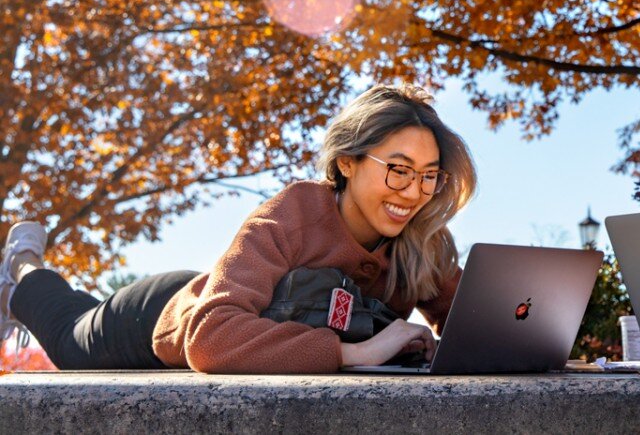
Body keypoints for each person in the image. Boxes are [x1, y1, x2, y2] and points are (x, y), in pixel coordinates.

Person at [0, 83, 476, 373]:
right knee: (67, 331)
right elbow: (210, 337)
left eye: (429, 175)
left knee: (79, 309)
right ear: (347, 162)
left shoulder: (423, 241)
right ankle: (22, 266)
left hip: (229, 291)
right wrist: (356, 353)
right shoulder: (295, 211)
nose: (413, 192)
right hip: (158, 320)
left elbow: (473, 325)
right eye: (398, 169)